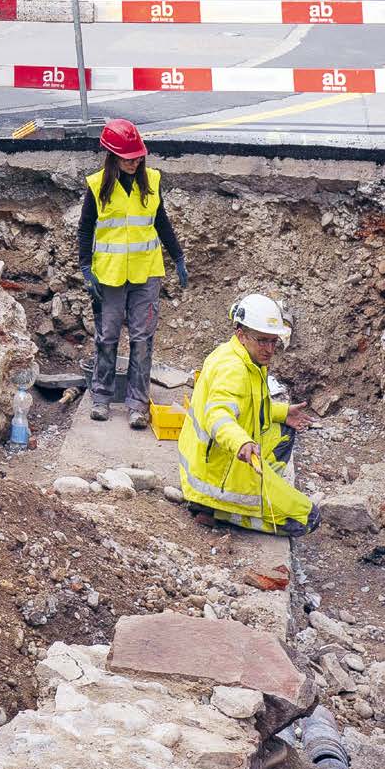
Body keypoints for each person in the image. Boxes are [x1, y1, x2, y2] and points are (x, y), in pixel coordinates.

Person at [177, 295, 318, 536]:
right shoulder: (233, 369)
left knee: (285, 431)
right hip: (216, 478)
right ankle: (220, 511)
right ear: (241, 334)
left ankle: (260, 491)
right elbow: (218, 415)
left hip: (220, 461)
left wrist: (282, 412)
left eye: (274, 341)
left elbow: (247, 406)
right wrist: (242, 441)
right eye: (262, 340)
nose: (269, 349)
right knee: (306, 518)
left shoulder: (243, 356)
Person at [79, 119, 187, 429]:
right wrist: (86, 268)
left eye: (138, 156)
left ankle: (138, 405)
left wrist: (177, 256)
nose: (135, 161)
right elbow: (85, 228)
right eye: (128, 158)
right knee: (107, 338)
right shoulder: (98, 185)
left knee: (142, 340)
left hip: (146, 274)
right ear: (113, 156)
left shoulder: (151, 180)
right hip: (109, 276)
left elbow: (161, 222)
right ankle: (101, 397)